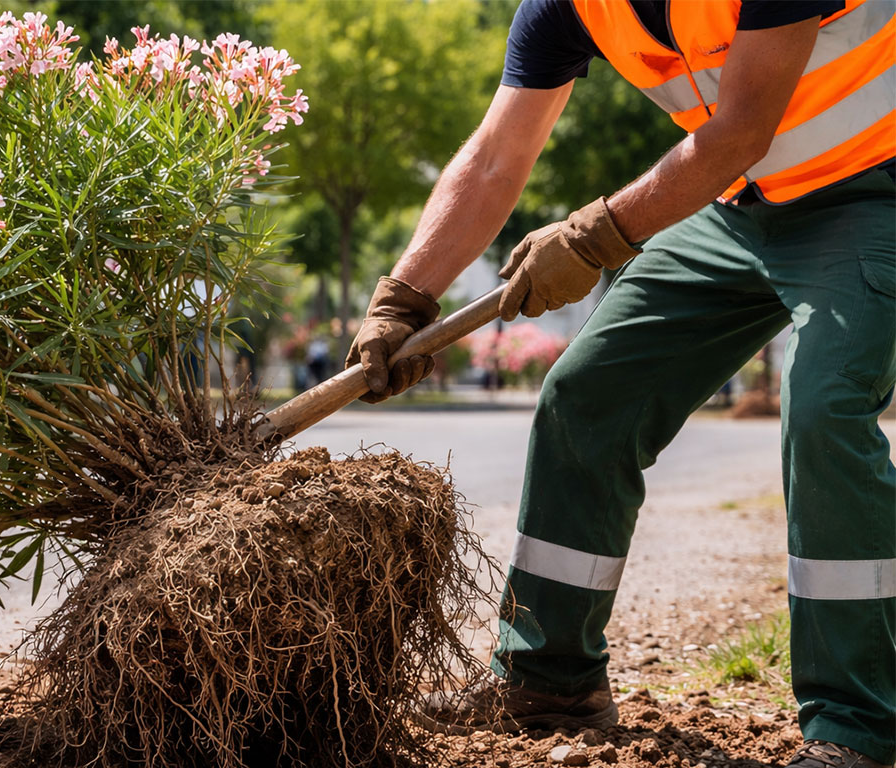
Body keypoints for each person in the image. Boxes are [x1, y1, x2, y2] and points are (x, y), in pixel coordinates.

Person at [345, 1, 894, 766]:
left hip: (874, 190)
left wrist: (595, 234)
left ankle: (855, 727)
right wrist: (404, 297)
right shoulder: (567, 8)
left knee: (825, 407)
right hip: (744, 203)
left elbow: (739, 130)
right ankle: (549, 676)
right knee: (587, 393)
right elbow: (499, 153)